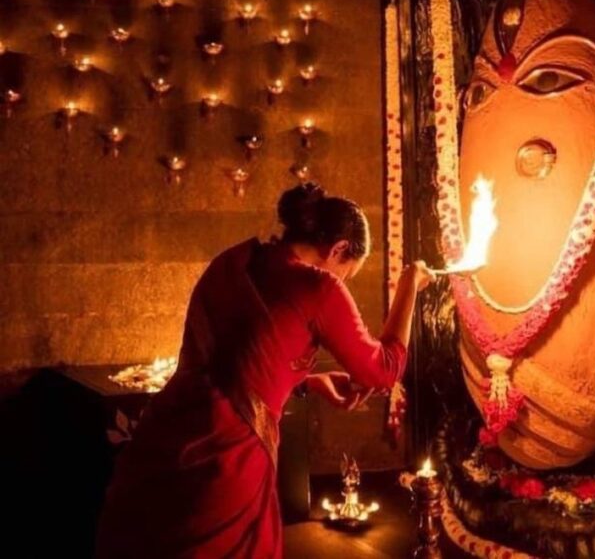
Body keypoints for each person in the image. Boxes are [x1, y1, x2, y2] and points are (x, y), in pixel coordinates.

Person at [95, 182, 435, 558]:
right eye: (347, 273)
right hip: (228, 456)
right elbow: (383, 371)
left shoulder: (234, 261)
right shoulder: (318, 286)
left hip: (170, 433)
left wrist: (309, 381)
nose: (343, 283)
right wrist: (409, 286)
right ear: (338, 249)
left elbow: (236, 361)